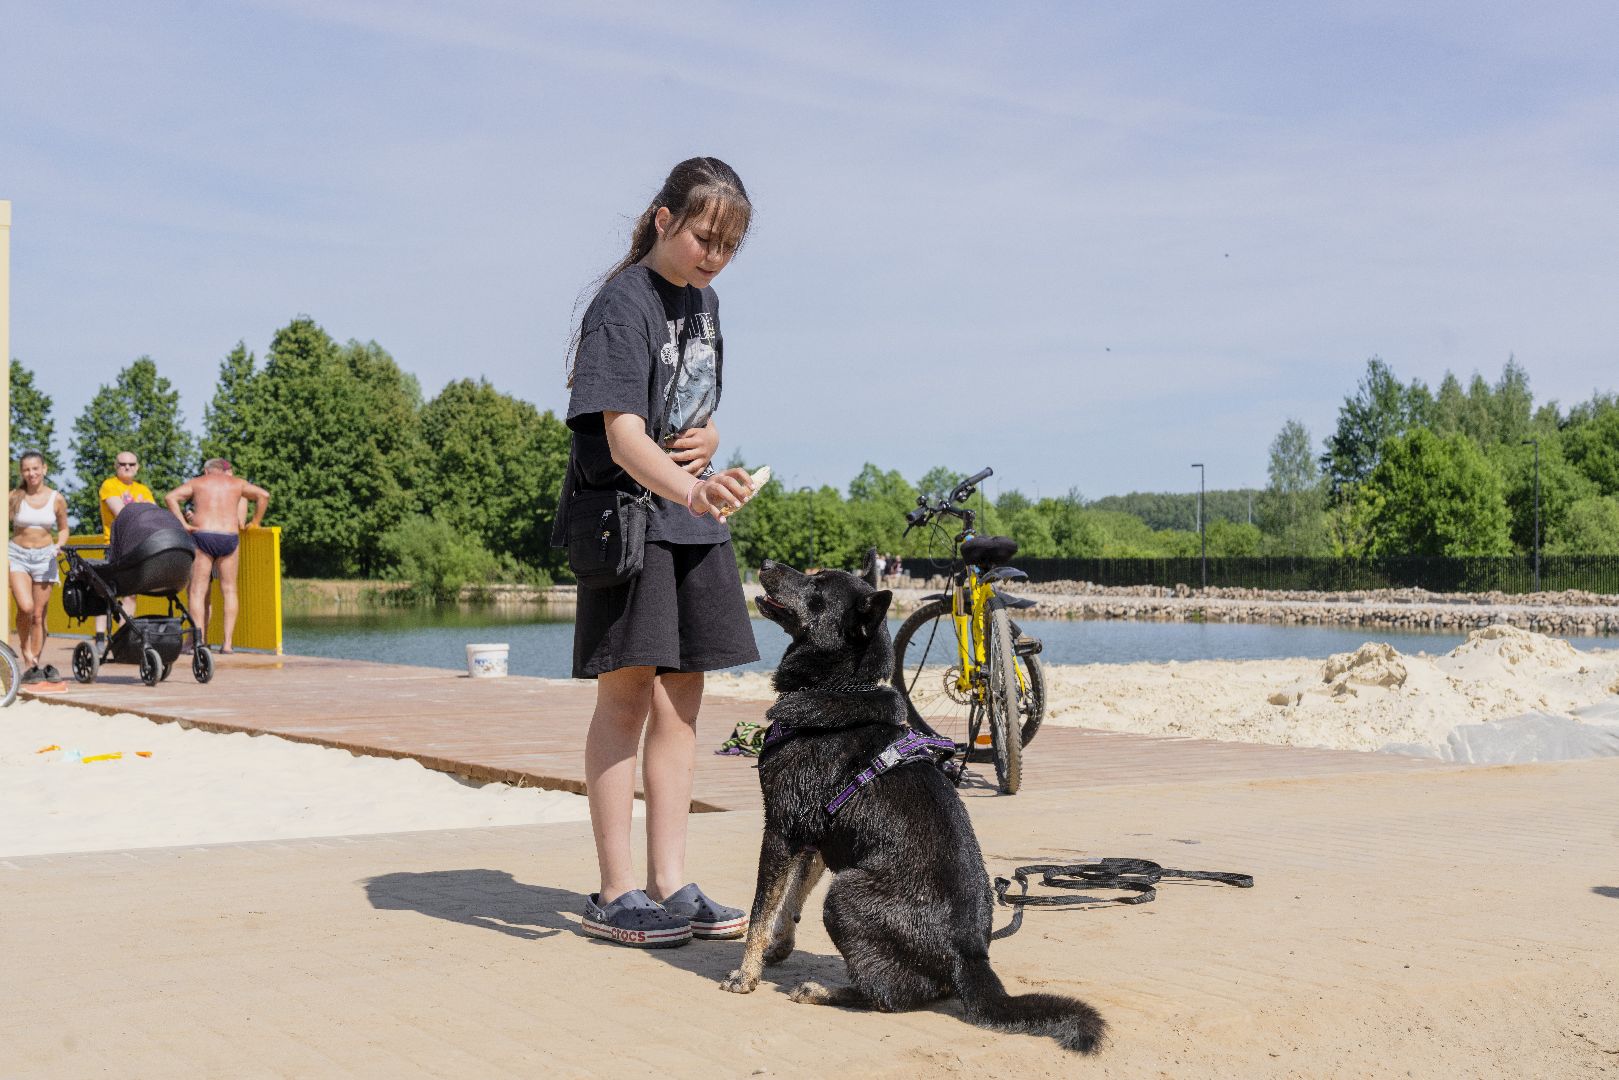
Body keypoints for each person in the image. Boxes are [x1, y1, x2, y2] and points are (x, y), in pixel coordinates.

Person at [558, 157, 760, 948]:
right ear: (662, 217)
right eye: (704, 236)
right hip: (629, 520)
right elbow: (620, 431)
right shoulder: (621, 303)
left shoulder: (704, 303)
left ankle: (668, 883)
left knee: (683, 701)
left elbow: (681, 409)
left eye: (729, 246)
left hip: (688, 517)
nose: (713, 256)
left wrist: (709, 441)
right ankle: (614, 892)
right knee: (625, 698)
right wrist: (688, 490)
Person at [163, 458, 269, 654]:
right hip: (229, 537)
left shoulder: (197, 483)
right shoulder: (237, 483)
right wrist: (255, 521)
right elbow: (264, 495)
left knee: (197, 591)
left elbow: (170, 497)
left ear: (206, 471)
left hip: (203, 535)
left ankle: (198, 641)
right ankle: (227, 644)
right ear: (223, 470)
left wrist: (184, 524)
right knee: (229, 590)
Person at [8, 451, 70, 682]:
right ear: (22, 472)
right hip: (18, 555)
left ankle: (34, 663)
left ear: (44, 469)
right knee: (25, 607)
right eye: (26, 469)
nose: (31, 473)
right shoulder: (14, 496)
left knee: (37, 614)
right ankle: (25, 651)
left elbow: (63, 528)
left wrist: (59, 545)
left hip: (46, 556)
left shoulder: (56, 498)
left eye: (35, 468)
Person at [95, 451, 155, 642]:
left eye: (131, 464)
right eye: (123, 464)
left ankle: (122, 638)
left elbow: (153, 513)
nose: (127, 467)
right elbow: (120, 512)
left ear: (137, 467)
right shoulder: (109, 485)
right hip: (113, 546)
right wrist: (141, 510)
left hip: (135, 546)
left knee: (130, 595)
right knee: (106, 592)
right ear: (116, 466)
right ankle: (100, 637)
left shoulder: (143, 489)